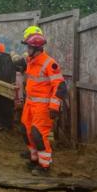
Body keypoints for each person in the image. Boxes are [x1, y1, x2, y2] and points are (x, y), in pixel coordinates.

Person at [19, 29, 66, 176]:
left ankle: (45, 165)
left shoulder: (50, 63)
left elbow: (60, 86)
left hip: (43, 107)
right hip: (30, 104)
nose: (27, 50)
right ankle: (34, 159)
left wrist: (54, 106)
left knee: (38, 134)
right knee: (25, 130)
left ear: (36, 48)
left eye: (29, 47)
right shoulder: (31, 61)